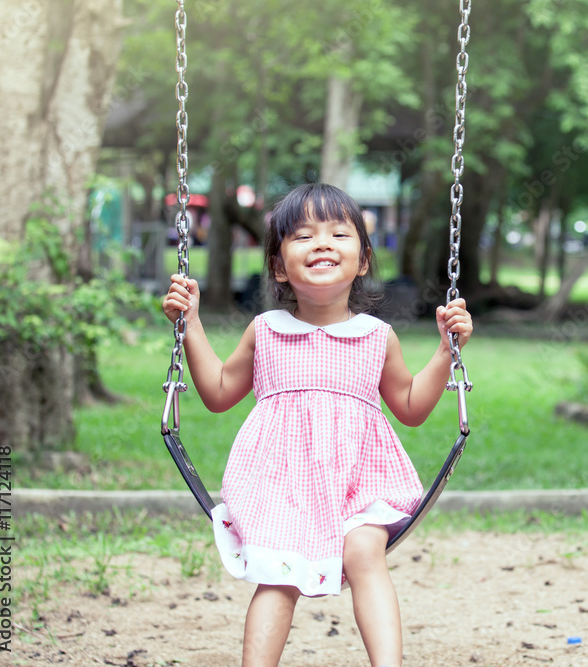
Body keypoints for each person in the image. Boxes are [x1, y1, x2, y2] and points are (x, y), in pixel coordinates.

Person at [162, 182, 473, 667]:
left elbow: (411, 407)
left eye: (338, 233)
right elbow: (219, 394)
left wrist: (444, 351)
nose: (322, 243)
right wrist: (192, 324)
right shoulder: (265, 331)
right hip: (283, 485)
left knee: (364, 552)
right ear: (279, 266)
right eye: (303, 235)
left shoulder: (376, 336)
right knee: (277, 577)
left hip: (359, 481)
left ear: (363, 260)